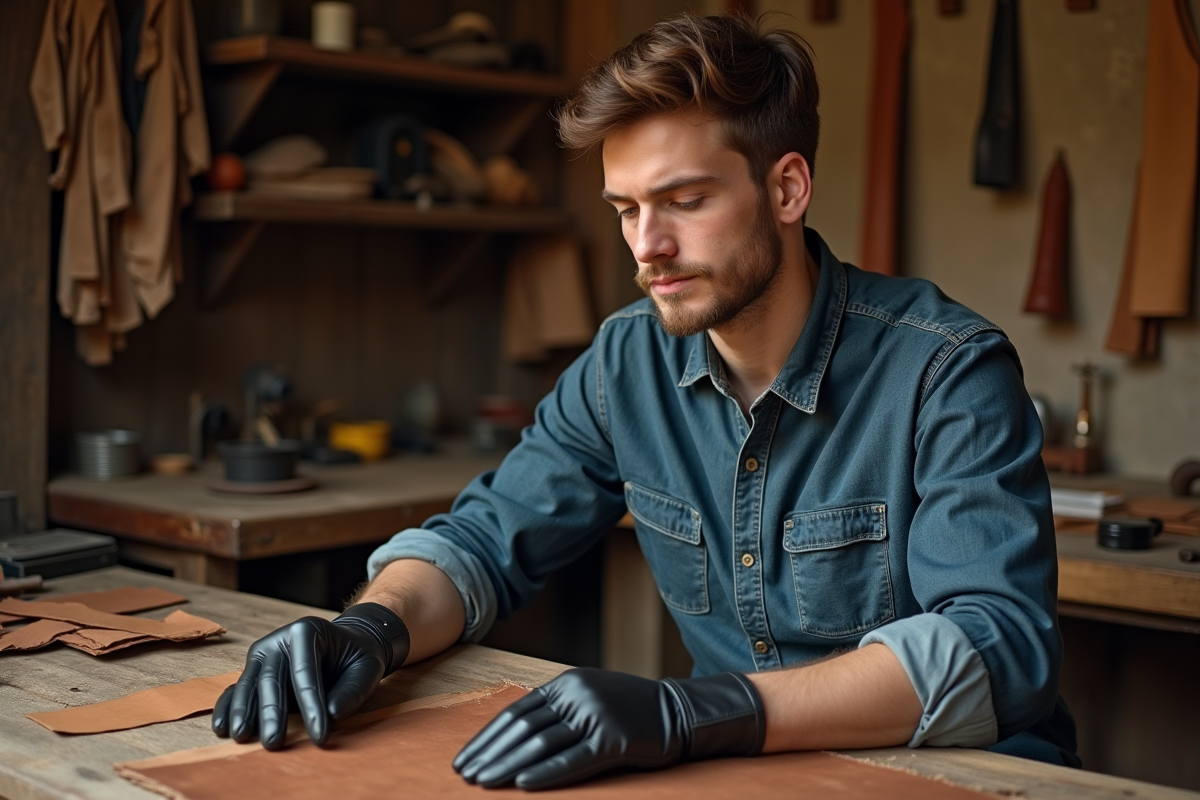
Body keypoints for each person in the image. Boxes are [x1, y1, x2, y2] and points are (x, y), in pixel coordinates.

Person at [212, 12, 1078, 789]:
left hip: (964, 778)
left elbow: (1001, 649)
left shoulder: (948, 370)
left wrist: (693, 712)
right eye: (625, 209)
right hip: (750, 777)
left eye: (685, 201)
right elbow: (485, 541)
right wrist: (372, 625)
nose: (647, 248)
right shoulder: (627, 360)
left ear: (786, 189)